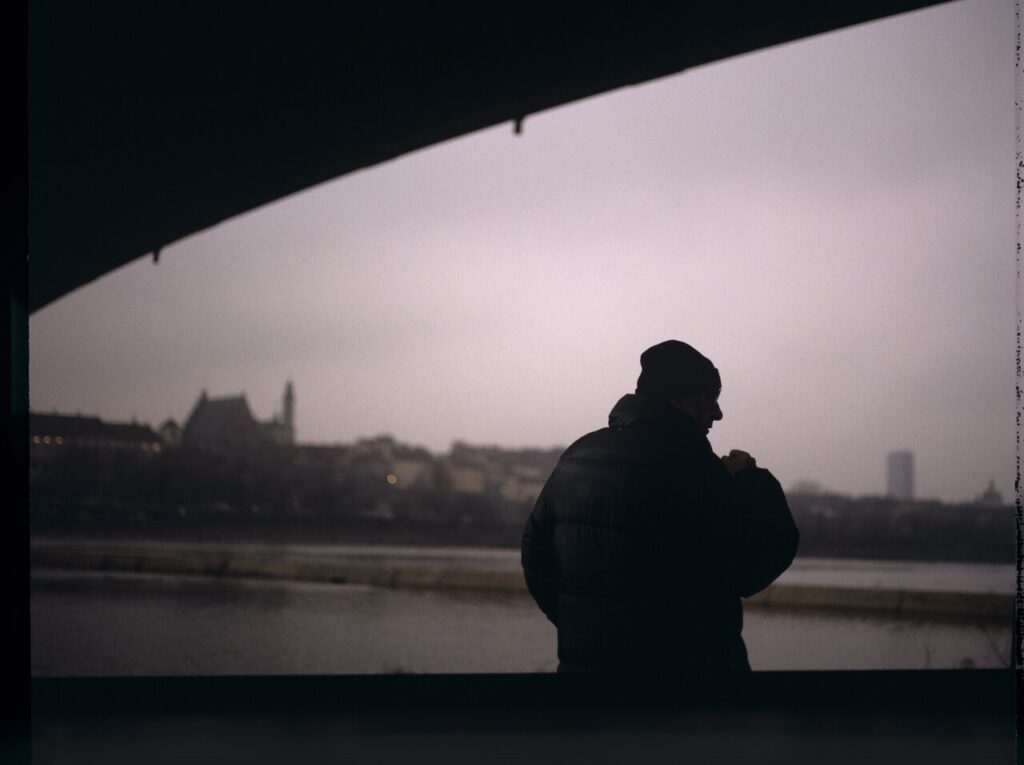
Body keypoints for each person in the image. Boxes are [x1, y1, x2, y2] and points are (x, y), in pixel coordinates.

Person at [521, 340, 798, 676]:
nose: (717, 413)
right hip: (688, 683)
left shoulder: (577, 456)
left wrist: (584, 628)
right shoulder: (697, 469)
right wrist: (751, 481)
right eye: (710, 399)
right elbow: (753, 568)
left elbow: (536, 560)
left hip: (585, 681)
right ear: (678, 399)